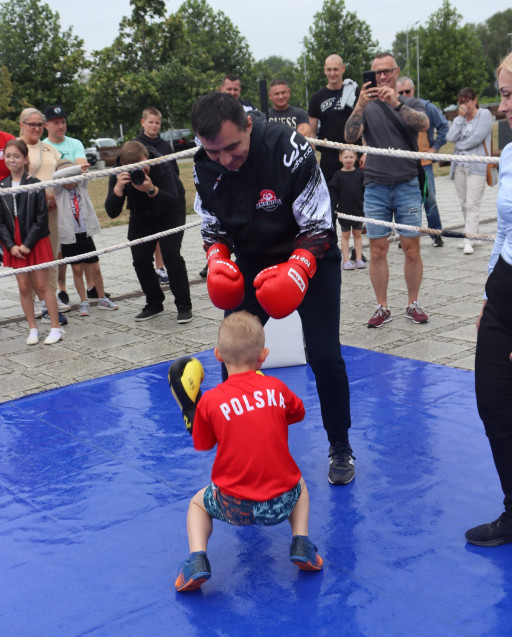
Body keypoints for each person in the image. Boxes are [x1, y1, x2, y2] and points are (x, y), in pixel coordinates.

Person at [191, 91, 354, 485]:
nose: (225, 159)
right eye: (214, 151)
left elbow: (319, 223)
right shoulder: (204, 164)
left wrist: (298, 267)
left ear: (248, 125)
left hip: (311, 254)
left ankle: (340, 445)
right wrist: (217, 256)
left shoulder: (290, 148)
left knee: (324, 355)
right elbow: (212, 223)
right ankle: (239, 446)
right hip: (252, 258)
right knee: (233, 354)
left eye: (232, 147)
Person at [173, 311, 323, 592]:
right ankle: (301, 541)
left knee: (197, 505)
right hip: (281, 501)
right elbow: (298, 412)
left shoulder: (211, 401)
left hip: (233, 504)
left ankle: (197, 558)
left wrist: (192, 412)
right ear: (263, 356)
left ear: (218, 355)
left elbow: (203, 444)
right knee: (300, 484)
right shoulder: (276, 387)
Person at [344, 52, 430, 329]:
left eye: (387, 71)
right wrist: (359, 104)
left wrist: (396, 103)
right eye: (377, 72)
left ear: (396, 71)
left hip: (407, 183)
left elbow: (423, 124)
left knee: (411, 248)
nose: (382, 76)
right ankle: (382, 306)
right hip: (375, 186)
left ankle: (413, 302)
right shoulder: (366, 106)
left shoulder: (410, 101)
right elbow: (349, 136)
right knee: (378, 249)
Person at [464, 53, 512, 547]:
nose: (503, 106)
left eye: (511, 94)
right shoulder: (511, 152)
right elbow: (504, 231)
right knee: (493, 402)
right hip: (504, 293)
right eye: (501, 93)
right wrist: (485, 295)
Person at [104, 140, 192, 323]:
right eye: (134, 168)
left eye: (143, 166)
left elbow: (173, 202)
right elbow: (111, 212)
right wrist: (118, 189)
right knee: (140, 258)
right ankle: (154, 303)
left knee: (171, 254)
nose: (140, 171)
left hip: (169, 210)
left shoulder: (160, 163)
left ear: (147, 157)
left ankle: (184, 305)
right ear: (123, 165)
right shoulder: (119, 171)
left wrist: (151, 189)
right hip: (141, 213)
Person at [0, 139, 63, 345]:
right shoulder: (2, 186)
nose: (12, 160)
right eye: (8, 156)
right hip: (13, 242)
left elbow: (41, 217)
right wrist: (11, 245)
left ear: (26, 159)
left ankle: (55, 327)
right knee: (24, 286)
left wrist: (27, 244)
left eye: (17, 156)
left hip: (35, 239)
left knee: (43, 285)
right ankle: (32, 329)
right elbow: (0, 222)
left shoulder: (35, 184)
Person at [19, 107, 69, 321]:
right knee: (29, 256)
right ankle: (34, 299)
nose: (36, 128)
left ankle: (50, 296)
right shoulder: (15, 147)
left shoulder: (49, 149)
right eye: (32, 124)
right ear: (22, 124)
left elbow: (58, 172)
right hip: (26, 212)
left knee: (51, 254)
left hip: (52, 209)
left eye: (40, 124)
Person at [53, 159, 118, 316]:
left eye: (73, 178)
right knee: (76, 270)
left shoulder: (81, 186)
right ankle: (84, 301)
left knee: (95, 268)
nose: (70, 182)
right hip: (69, 238)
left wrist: (78, 172)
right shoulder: (58, 191)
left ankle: (102, 299)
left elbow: (84, 175)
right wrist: (75, 169)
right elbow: (55, 176)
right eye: (67, 179)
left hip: (85, 235)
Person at [42, 103, 93, 305]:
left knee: (85, 246)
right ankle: (62, 289)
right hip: (56, 204)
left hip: (76, 203)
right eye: (55, 122)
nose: (60, 126)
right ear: (46, 125)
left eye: (63, 121)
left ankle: (91, 286)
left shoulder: (75, 143)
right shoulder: (44, 146)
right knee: (60, 251)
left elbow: (81, 168)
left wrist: (65, 175)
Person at [396, 76, 448, 248]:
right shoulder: (394, 108)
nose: (404, 95)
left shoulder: (427, 107)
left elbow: (444, 127)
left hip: (424, 162)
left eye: (407, 91)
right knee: (405, 202)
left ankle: (436, 233)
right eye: (401, 92)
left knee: (429, 199)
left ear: (413, 90)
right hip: (404, 163)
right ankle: (406, 235)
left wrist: (435, 148)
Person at [134, 106, 181, 285]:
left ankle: (161, 267)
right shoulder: (136, 145)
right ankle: (151, 272)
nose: (154, 126)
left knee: (165, 237)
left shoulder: (165, 146)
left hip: (163, 195)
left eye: (157, 123)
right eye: (151, 122)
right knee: (147, 242)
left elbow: (174, 172)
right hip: (143, 200)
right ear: (143, 122)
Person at [446, 87, 492, 255]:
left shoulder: (484, 114)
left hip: (476, 165)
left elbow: (477, 138)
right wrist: (459, 118)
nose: (464, 105)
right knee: (464, 203)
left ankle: (468, 239)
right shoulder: (460, 119)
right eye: (461, 102)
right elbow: (450, 137)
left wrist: (459, 146)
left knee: (473, 203)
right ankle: (474, 235)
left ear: (475, 100)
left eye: (467, 101)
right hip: (459, 165)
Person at [308, 54, 360, 181]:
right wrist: (312, 157)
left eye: (336, 69)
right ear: (324, 70)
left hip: (353, 153)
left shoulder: (355, 93)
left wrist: (366, 153)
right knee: (330, 192)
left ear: (343, 69)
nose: (332, 73)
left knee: (354, 192)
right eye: (329, 69)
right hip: (329, 156)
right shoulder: (317, 98)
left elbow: (366, 122)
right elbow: (312, 133)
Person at [328, 149, 365, 270]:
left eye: (351, 157)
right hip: (344, 211)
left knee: (358, 235)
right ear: (340, 158)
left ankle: (358, 258)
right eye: (346, 157)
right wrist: (333, 207)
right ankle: (346, 260)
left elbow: (364, 191)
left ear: (355, 158)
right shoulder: (338, 175)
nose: (348, 160)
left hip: (358, 210)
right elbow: (333, 193)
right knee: (345, 235)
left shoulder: (360, 174)